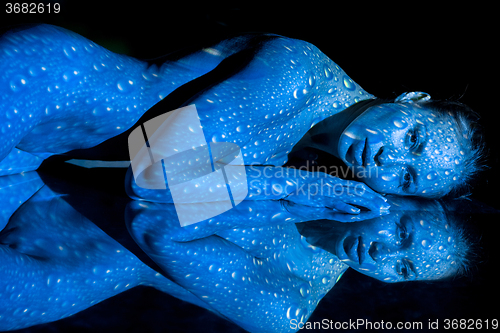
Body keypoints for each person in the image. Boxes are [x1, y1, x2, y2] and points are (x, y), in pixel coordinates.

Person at [0, 24, 484, 213]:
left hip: (34, 151)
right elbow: (148, 179)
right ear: (414, 98)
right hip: (37, 81)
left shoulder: (321, 158)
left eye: (406, 175)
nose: (388, 155)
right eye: (415, 138)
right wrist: (288, 184)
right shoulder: (298, 72)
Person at [0, 169, 476, 332]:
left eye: (405, 267)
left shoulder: (288, 306)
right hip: (32, 174)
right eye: (405, 234)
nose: (382, 253)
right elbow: (155, 169)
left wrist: (289, 191)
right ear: (399, 199)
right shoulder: (302, 152)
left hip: (47, 274)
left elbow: (152, 223)